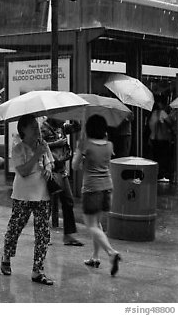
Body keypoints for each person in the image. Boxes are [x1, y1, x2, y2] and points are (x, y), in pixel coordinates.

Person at [1, 114, 55, 286]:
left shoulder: (43, 145)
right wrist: (36, 154)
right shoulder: (18, 148)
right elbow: (23, 171)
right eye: (32, 126)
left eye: (37, 126)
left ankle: (37, 270)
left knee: (43, 234)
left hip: (42, 195)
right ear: (23, 129)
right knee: (15, 228)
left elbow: (51, 163)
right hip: (23, 195)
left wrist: (48, 168)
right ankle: (6, 257)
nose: (37, 129)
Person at [72, 114, 121, 276]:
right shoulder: (109, 145)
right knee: (97, 223)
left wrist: (79, 148)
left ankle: (111, 253)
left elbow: (74, 166)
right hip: (107, 188)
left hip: (92, 189)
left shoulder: (86, 145)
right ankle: (94, 257)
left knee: (91, 225)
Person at [40, 117, 84, 246]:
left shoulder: (61, 127)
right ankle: (42, 235)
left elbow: (76, 128)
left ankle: (68, 236)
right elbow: (39, 145)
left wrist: (75, 117)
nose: (63, 121)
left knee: (68, 201)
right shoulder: (44, 128)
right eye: (61, 119)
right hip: (50, 169)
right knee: (47, 204)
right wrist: (57, 143)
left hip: (61, 169)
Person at [147, 99, 173, 180]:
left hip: (153, 139)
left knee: (156, 157)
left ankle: (156, 174)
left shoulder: (153, 114)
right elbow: (170, 123)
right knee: (163, 157)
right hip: (162, 138)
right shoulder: (162, 113)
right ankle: (162, 175)